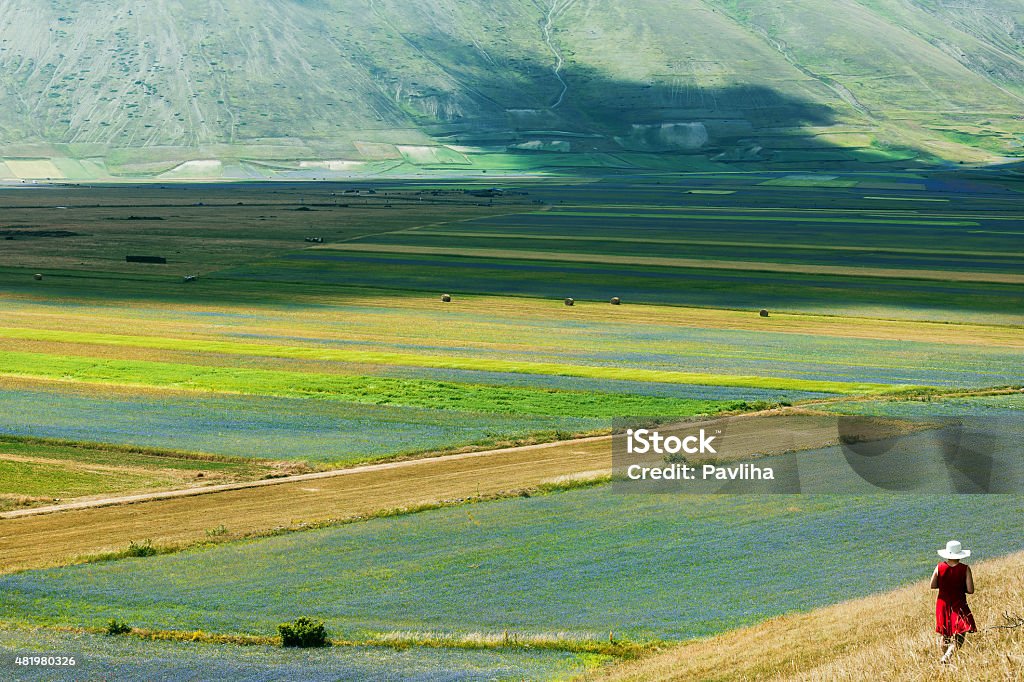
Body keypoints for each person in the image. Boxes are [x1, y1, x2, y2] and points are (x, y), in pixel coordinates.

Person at [931, 540, 976, 665]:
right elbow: (971, 590)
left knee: (944, 634)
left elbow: (932, 585)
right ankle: (948, 655)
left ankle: (946, 658)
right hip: (959, 603)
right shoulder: (965, 569)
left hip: (942, 604)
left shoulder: (939, 567)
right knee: (961, 633)